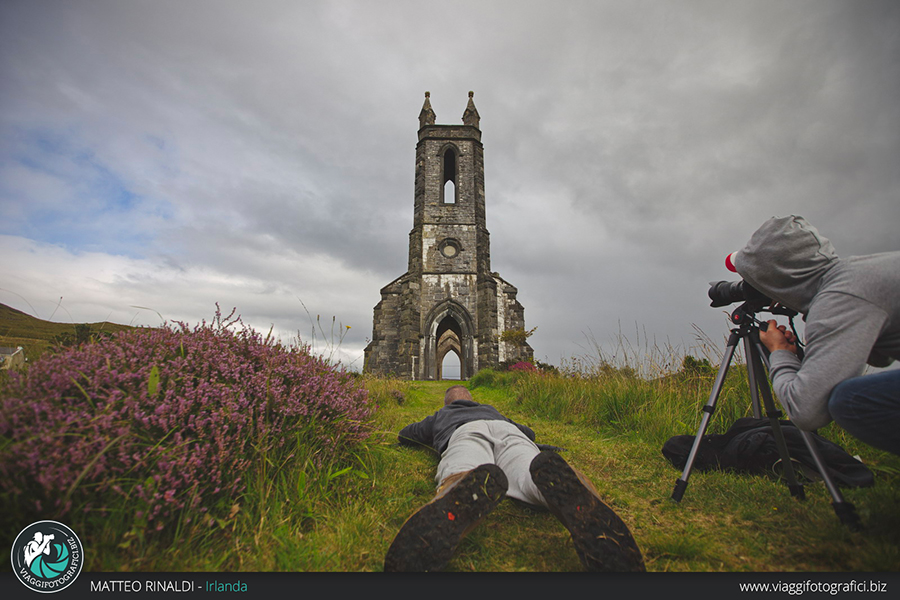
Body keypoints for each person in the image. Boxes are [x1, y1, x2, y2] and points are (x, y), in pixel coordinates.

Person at [383, 384, 645, 572]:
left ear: (447, 402)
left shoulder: (443, 414)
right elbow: (528, 432)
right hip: (508, 430)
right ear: (473, 399)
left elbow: (407, 434)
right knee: (527, 466)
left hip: (465, 431)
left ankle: (457, 485)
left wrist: (430, 430)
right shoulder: (492, 409)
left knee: (464, 461)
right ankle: (571, 489)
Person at [727, 215, 900, 455]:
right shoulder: (856, 273)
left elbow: (807, 413)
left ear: (779, 281)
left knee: (850, 401)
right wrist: (810, 311)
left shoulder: (838, 300)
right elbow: (883, 358)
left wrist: (779, 353)